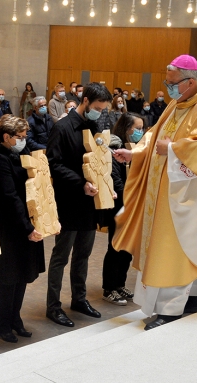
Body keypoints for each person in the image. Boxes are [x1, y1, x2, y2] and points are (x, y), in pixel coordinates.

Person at [112, 55, 197, 330]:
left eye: (171, 83)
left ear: (190, 82)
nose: (168, 88)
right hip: (167, 190)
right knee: (174, 245)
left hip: (195, 194)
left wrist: (172, 150)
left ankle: (171, 309)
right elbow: (155, 136)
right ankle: (190, 298)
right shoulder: (178, 102)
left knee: (183, 246)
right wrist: (135, 152)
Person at [45, 82, 112, 328]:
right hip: (69, 200)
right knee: (61, 256)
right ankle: (53, 306)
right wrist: (80, 183)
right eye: (96, 107)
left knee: (83, 254)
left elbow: (100, 161)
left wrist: (107, 186)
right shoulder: (62, 127)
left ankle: (79, 299)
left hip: (90, 203)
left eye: (103, 109)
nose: (99, 112)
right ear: (85, 101)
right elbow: (54, 164)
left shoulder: (94, 126)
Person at [0, 115, 44, 343]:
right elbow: (9, 196)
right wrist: (27, 227)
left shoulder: (17, 154)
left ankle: (15, 319)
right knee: (9, 277)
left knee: (23, 275)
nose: (24, 141)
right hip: (9, 226)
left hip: (23, 222)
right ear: (6, 137)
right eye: (20, 137)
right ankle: (2, 324)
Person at [101, 112, 145, 306]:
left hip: (133, 204)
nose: (141, 132)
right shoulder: (114, 147)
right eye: (138, 128)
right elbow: (117, 182)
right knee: (116, 247)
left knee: (128, 248)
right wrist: (129, 198)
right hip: (119, 205)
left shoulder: (135, 148)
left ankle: (120, 284)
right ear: (127, 129)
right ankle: (109, 288)